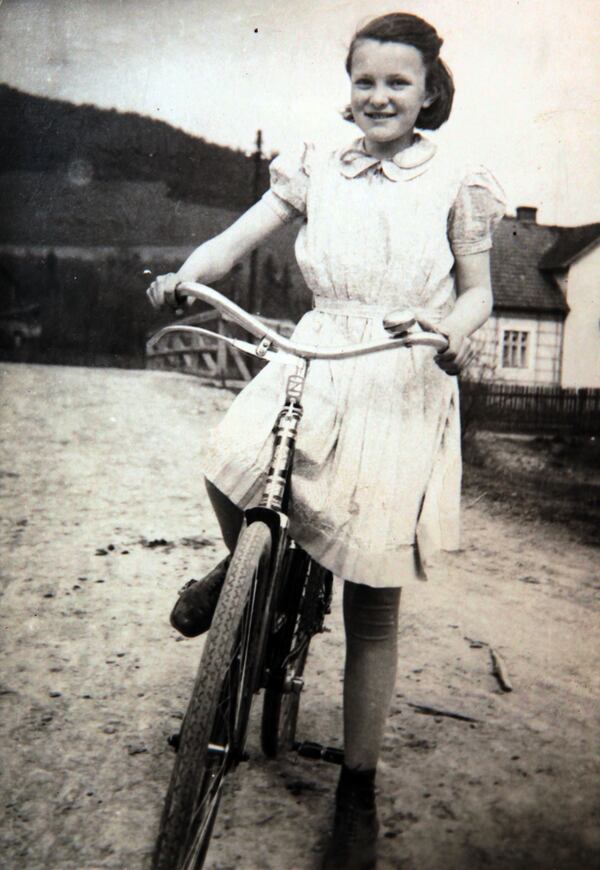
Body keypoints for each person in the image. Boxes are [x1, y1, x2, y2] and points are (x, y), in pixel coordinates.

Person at [147, 11, 505, 869]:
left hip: (400, 370)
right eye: (366, 81)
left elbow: (480, 290)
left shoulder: (457, 177)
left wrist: (455, 331)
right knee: (231, 466)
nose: (379, 96)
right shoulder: (318, 165)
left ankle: (358, 787)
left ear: (429, 93)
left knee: (371, 594)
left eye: (398, 82)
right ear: (350, 91)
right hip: (317, 348)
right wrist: (189, 275)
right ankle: (249, 586)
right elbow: (239, 239)